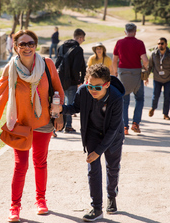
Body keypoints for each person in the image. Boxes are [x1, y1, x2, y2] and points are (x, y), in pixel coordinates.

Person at [0, 30, 65, 222]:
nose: (27, 47)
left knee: (40, 162)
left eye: (30, 44)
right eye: (22, 44)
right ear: (15, 47)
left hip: (44, 123)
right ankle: (14, 206)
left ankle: (41, 200)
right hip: (20, 125)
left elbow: (59, 91)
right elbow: (0, 98)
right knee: (21, 166)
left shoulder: (47, 64)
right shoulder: (10, 69)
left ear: (35, 45)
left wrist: (59, 114)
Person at [53, 64, 124, 222]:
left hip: (113, 137)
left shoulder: (117, 98)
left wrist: (99, 151)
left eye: (97, 87)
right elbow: (75, 107)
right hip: (92, 133)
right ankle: (97, 208)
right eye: (89, 85)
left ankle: (112, 195)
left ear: (107, 84)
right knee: (93, 168)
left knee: (112, 168)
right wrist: (61, 109)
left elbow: (113, 129)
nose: (92, 90)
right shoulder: (83, 91)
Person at [112, 23, 149, 135]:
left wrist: (115, 73)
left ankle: (124, 127)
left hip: (123, 73)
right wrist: (145, 68)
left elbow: (114, 60)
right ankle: (135, 123)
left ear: (125, 31)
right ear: (135, 31)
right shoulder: (139, 43)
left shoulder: (119, 43)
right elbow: (145, 60)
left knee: (124, 101)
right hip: (136, 74)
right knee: (139, 99)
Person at [55, 28, 87, 133]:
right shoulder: (78, 49)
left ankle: (58, 125)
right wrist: (79, 80)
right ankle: (68, 126)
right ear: (80, 38)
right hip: (72, 81)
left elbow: (57, 63)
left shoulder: (62, 46)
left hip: (59, 80)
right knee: (70, 104)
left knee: (60, 102)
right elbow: (77, 67)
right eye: (83, 39)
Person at [148, 37, 170, 120]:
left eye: (162, 43)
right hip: (157, 79)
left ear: (166, 44)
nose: (160, 45)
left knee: (167, 97)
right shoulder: (154, 54)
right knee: (155, 95)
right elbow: (150, 66)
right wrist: (146, 77)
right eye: (159, 44)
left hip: (168, 79)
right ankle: (153, 108)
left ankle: (165, 114)